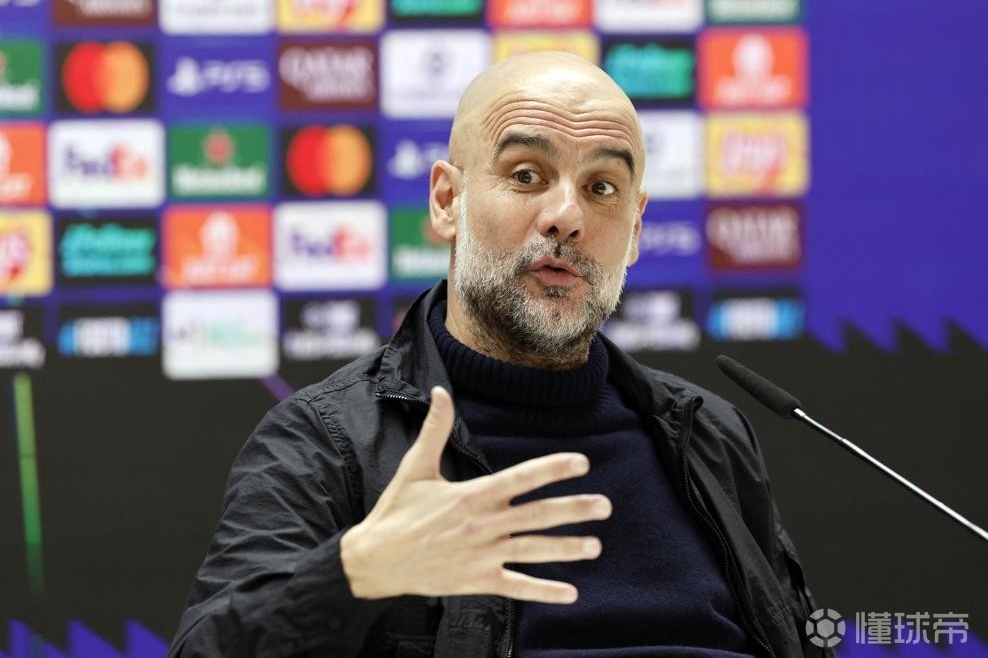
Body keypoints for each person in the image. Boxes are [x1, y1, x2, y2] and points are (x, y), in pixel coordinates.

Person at [167, 52, 828, 657]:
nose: (566, 215)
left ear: (634, 229)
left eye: (602, 187)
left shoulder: (709, 435)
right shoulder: (327, 442)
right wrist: (355, 573)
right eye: (526, 175)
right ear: (446, 201)